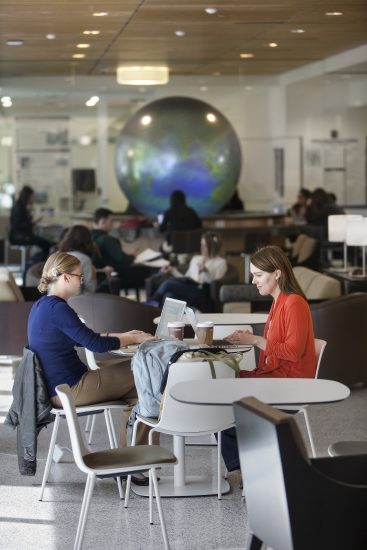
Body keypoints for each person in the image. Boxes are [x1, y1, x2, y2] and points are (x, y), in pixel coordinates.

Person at [28, 252, 155, 483]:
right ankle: (134, 463)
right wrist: (132, 339)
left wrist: (125, 335)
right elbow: (94, 343)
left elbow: (81, 337)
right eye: (79, 276)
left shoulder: (42, 306)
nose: (82, 280)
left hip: (60, 389)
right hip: (72, 389)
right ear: (65, 277)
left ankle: (132, 462)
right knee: (146, 369)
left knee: (140, 392)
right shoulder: (59, 309)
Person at [220, 245, 316, 472]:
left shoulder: (294, 303)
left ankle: (250, 465)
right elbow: (275, 348)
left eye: (258, 275)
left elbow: (292, 352)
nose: (254, 281)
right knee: (222, 391)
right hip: (276, 376)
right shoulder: (278, 302)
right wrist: (247, 338)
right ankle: (250, 463)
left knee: (221, 399)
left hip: (290, 383)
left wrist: (253, 340)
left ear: (278, 273)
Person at [153, 231, 227, 312]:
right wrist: (173, 270)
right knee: (169, 296)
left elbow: (216, 285)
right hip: (188, 289)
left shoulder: (221, 263)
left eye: (204, 246)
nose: (201, 248)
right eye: (201, 245)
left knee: (167, 283)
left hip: (201, 293)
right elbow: (186, 278)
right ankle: (166, 321)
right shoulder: (196, 259)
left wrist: (206, 271)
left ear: (212, 247)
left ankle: (152, 305)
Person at [91, 207, 153, 292]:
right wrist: (132, 257)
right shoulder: (107, 239)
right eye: (111, 221)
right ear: (103, 222)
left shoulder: (89, 236)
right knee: (147, 271)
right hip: (112, 275)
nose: (112, 224)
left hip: (97, 275)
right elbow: (121, 259)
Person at [9, 185, 51, 260]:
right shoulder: (19, 208)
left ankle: (36, 261)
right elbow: (17, 226)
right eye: (31, 197)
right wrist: (32, 222)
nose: (32, 199)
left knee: (45, 243)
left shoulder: (23, 207)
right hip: (20, 237)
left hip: (23, 236)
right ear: (27, 196)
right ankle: (36, 262)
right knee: (46, 244)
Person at [57, 225, 100, 293]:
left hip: (54, 298)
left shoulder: (57, 255)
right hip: (76, 301)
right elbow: (91, 288)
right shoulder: (84, 259)